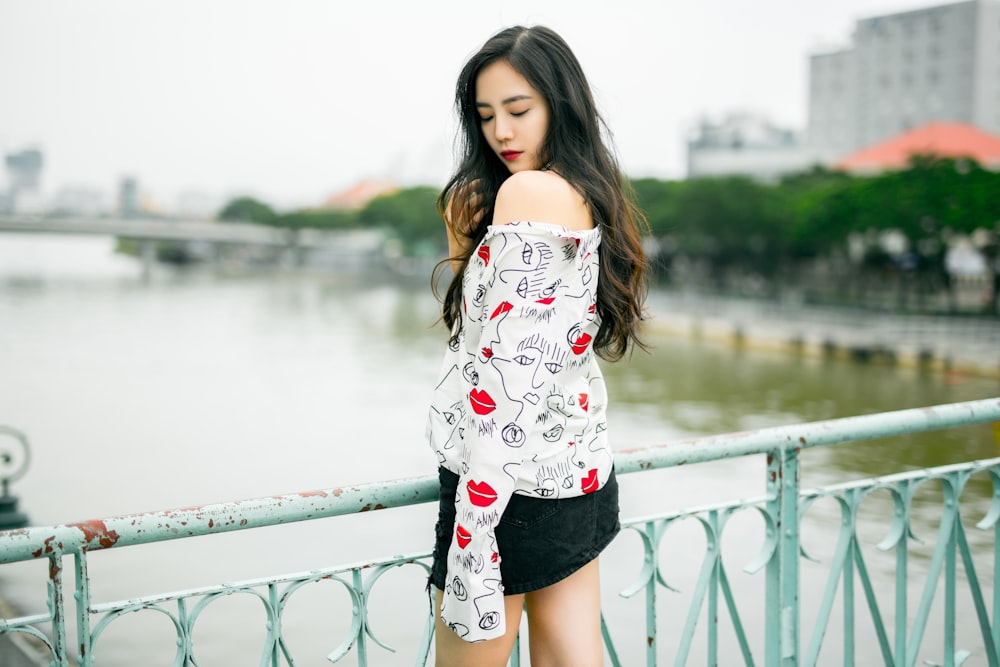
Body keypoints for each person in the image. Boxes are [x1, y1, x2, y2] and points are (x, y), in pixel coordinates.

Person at [426, 25, 648, 666]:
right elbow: (536, 350)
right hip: (576, 475)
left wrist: (472, 533)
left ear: (561, 104)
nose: (501, 132)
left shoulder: (527, 193)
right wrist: (470, 248)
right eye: (487, 115)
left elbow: (499, 382)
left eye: (519, 111)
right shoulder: (587, 194)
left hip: (502, 487)